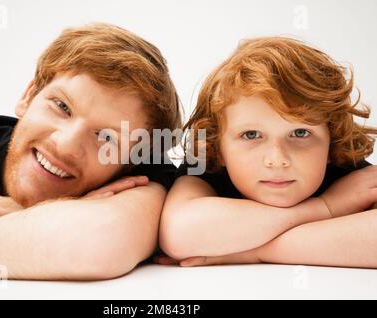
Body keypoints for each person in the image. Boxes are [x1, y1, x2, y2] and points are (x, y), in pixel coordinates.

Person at [0, 23, 182, 280]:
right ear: (29, 96)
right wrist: (2, 209)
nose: (66, 145)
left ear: (130, 163)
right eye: (62, 106)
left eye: (107, 137)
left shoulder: (139, 178)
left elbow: (95, 243)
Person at [158, 37, 377, 269]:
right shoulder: (210, 167)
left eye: (300, 133)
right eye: (251, 135)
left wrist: (254, 251)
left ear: (332, 143)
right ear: (217, 147)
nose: (277, 160)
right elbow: (179, 235)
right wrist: (325, 207)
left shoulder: (348, 173)